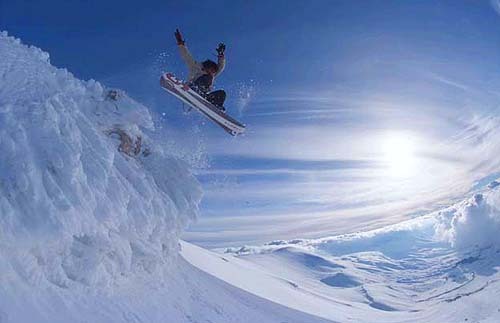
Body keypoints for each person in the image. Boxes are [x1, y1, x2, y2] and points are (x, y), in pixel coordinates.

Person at [174, 28, 227, 111]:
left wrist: (221, 55)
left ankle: (216, 107)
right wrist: (181, 43)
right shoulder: (195, 67)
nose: (212, 73)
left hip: (204, 96)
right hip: (191, 90)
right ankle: (196, 92)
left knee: (222, 93)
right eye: (211, 71)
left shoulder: (212, 75)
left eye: (214, 72)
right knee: (207, 78)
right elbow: (186, 56)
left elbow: (221, 67)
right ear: (206, 67)